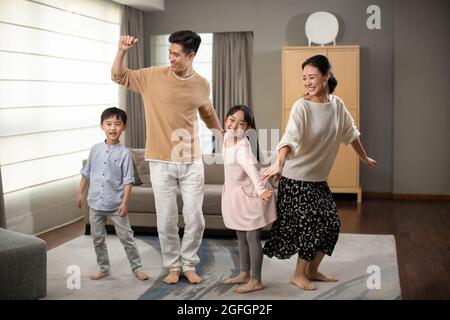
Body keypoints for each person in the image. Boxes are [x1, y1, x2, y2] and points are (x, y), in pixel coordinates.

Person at [111, 31, 224, 284]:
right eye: (169, 53)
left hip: (192, 160)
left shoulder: (202, 84)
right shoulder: (152, 76)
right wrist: (122, 51)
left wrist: (222, 134)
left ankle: (189, 264)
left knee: (195, 217)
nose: (171, 58)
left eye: (176, 54)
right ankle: (173, 266)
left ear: (191, 56)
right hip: (160, 161)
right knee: (166, 218)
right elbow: (118, 75)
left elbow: (208, 113)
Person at [262, 55, 377, 291]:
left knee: (332, 224)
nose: (307, 82)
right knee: (311, 224)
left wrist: (363, 157)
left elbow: (351, 133)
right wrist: (280, 163)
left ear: (326, 76)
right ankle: (298, 274)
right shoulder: (301, 106)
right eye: (304, 78)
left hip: (317, 180)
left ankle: (312, 270)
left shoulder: (338, 105)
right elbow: (289, 138)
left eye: (312, 76)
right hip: (295, 179)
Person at [76, 107, 149, 281]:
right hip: (95, 204)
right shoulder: (95, 149)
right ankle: (104, 268)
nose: (113, 128)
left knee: (126, 238)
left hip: (116, 205)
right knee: (97, 239)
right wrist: (80, 193)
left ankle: (137, 268)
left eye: (117, 124)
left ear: (124, 127)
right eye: (108, 124)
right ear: (102, 126)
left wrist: (125, 203)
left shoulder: (125, 154)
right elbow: (86, 173)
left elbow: (128, 180)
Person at [221, 105, 277, 293]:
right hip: (237, 194)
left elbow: (253, 172)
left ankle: (256, 279)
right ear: (225, 120)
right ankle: (244, 273)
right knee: (241, 236)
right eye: (231, 120)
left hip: (253, 195)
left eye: (241, 123)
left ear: (248, 129)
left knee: (252, 237)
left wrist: (261, 191)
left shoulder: (242, 147)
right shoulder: (227, 137)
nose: (235, 125)